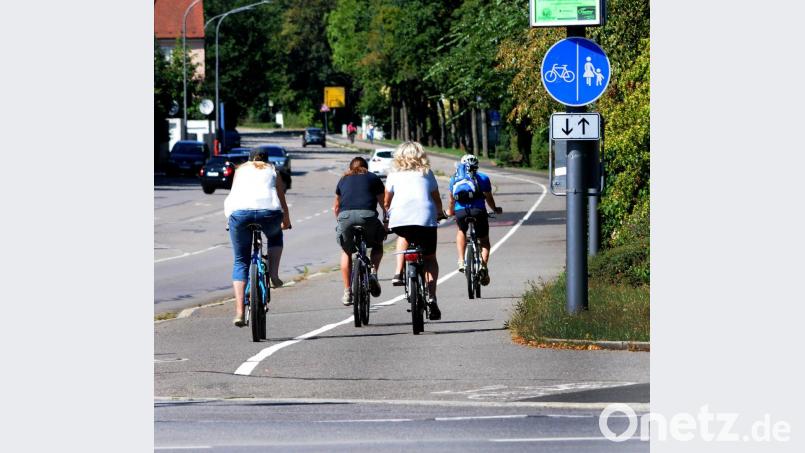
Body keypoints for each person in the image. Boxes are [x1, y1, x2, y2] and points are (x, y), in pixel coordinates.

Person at [224, 148, 292, 327]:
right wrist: (286, 220)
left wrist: (229, 220)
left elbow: (233, 196)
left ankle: (239, 312)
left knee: (240, 261)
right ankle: (274, 275)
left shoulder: (240, 170)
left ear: (249, 159)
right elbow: (280, 195)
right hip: (269, 214)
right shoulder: (272, 170)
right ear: (267, 159)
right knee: (276, 237)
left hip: (239, 215)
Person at [384, 141, 445, 320]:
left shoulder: (393, 175)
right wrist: (440, 213)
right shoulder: (427, 173)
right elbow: (436, 199)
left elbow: (387, 202)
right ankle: (432, 297)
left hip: (400, 220)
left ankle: (398, 271)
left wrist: (387, 216)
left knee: (403, 235)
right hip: (425, 219)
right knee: (430, 258)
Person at [334, 156, 387, 305]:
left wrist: (341, 223)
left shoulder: (343, 179)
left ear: (350, 168)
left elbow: (336, 207)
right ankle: (373, 273)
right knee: (377, 244)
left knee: (346, 251)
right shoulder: (373, 178)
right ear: (366, 167)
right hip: (367, 217)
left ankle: (347, 292)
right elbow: (385, 205)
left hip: (345, 218)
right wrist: (386, 224)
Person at [446, 154, 502, 286]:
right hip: (478, 211)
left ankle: (461, 260)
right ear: (476, 165)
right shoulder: (483, 178)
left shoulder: (454, 178)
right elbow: (488, 197)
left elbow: (451, 199)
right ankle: (483, 266)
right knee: (484, 241)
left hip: (461, 212)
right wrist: (494, 208)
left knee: (461, 230)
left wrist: (450, 211)